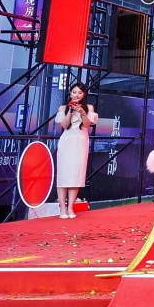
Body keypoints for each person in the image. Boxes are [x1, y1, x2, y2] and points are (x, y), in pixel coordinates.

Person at [55, 81, 97, 219]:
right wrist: (70, 111)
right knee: (63, 174)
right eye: (74, 92)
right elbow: (65, 125)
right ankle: (62, 207)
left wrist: (83, 112)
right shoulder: (63, 107)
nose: (76, 95)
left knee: (76, 175)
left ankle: (71, 207)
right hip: (67, 141)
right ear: (70, 93)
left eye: (79, 92)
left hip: (80, 142)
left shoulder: (89, 107)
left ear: (84, 94)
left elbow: (87, 124)